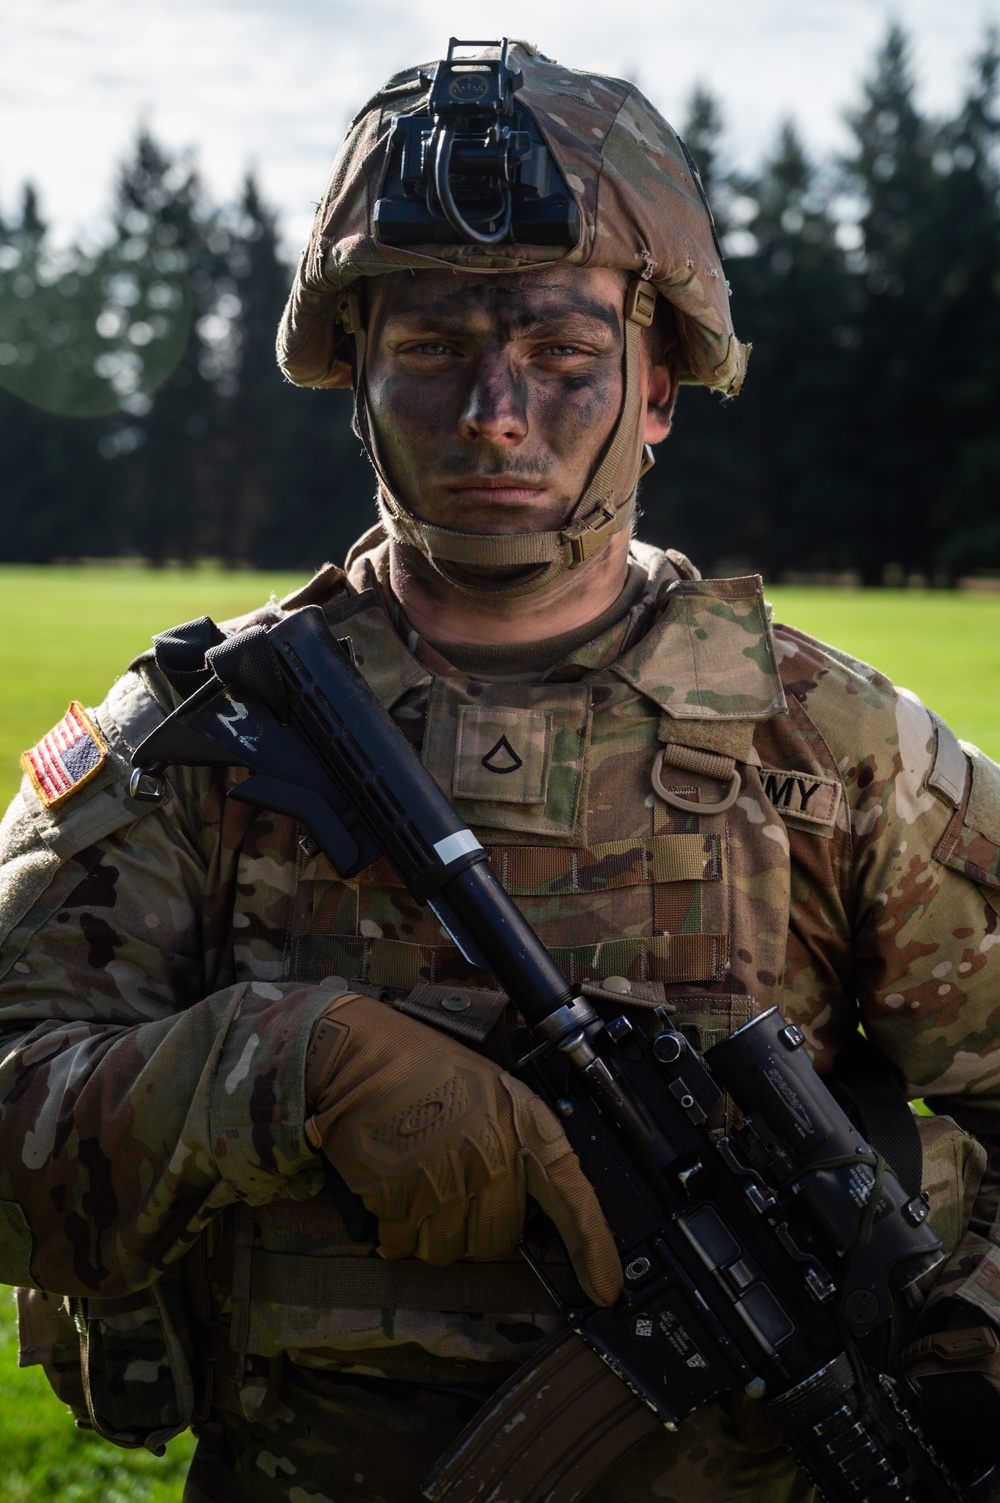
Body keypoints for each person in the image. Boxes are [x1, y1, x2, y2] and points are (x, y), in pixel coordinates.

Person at [2, 37, 1000, 1503]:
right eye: (430, 354)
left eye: (565, 359)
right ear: (353, 381)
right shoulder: (204, 739)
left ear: (661, 387)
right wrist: (281, 1067)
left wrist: (967, 1347)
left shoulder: (835, 751)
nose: (494, 416)